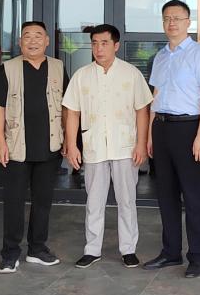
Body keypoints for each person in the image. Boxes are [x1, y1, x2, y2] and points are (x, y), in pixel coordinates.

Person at [62, 24, 153, 269]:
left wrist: (141, 143)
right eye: (94, 43)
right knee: (94, 201)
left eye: (104, 43)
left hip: (125, 146)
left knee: (127, 200)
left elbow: (142, 111)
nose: (98, 48)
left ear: (116, 45)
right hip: (94, 147)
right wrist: (71, 145)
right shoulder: (82, 75)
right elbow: (72, 112)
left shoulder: (131, 73)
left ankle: (128, 249)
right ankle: (92, 249)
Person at [142, 0, 200, 278]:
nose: (171, 23)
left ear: (188, 22)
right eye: (166, 18)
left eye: (177, 18)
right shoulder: (160, 56)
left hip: (189, 129)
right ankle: (170, 252)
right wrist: (150, 134)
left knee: (193, 194)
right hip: (161, 128)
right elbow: (155, 96)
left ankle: (198, 256)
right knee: (166, 193)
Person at [0, 21, 68, 273]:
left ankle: (37, 249)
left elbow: (67, 107)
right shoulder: (7, 68)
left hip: (49, 146)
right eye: (27, 36)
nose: (32, 41)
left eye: (38, 36)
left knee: (43, 201)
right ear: (20, 42)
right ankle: (10, 253)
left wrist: (68, 140)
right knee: (14, 203)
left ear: (47, 41)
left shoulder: (58, 67)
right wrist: (0, 143)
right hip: (16, 147)